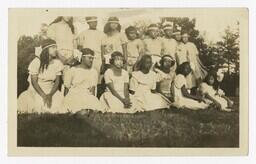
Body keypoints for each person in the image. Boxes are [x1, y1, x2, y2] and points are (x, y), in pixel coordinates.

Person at [18, 39, 65, 113]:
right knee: (40, 104)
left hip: (51, 90)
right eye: (53, 47)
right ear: (46, 49)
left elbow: (57, 82)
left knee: (58, 103)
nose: (56, 49)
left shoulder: (57, 63)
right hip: (37, 90)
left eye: (56, 47)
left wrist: (50, 95)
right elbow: (34, 82)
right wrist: (43, 95)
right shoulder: (36, 62)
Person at [63, 48, 106, 113]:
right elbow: (67, 87)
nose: (91, 60)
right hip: (74, 94)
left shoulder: (93, 71)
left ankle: (87, 109)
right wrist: (66, 100)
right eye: (89, 58)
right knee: (73, 106)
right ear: (82, 58)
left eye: (92, 58)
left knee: (94, 106)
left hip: (86, 94)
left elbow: (93, 89)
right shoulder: (73, 70)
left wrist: (92, 99)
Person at [76, 16, 106, 81]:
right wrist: (80, 60)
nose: (94, 24)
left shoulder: (102, 34)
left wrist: (103, 62)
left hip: (97, 58)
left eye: (95, 22)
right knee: (85, 76)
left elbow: (103, 49)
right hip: (86, 57)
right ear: (88, 23)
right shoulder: (83, 33)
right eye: (91, 22)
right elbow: (80, 49)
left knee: (96, 77)